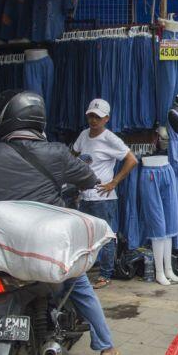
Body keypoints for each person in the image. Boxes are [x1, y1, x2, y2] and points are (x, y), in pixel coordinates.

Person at [0, 90, 121, 355]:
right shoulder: (57, 152)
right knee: (80, 284)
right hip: (46, 252)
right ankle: (105, 345)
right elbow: (88, 178)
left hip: (0, 254)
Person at [73, 99, 138, 289]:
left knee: (106, 235)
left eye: (97, 117)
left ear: (106, 119)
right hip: (85, 195)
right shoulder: (84, 135)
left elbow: (131, 159)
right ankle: (84, 271)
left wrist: (114, 182)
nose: (93, 120)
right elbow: (74, 155)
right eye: (91, 116)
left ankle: (105, 273)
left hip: (103, 198)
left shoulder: (110, 139)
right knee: (85, 235)